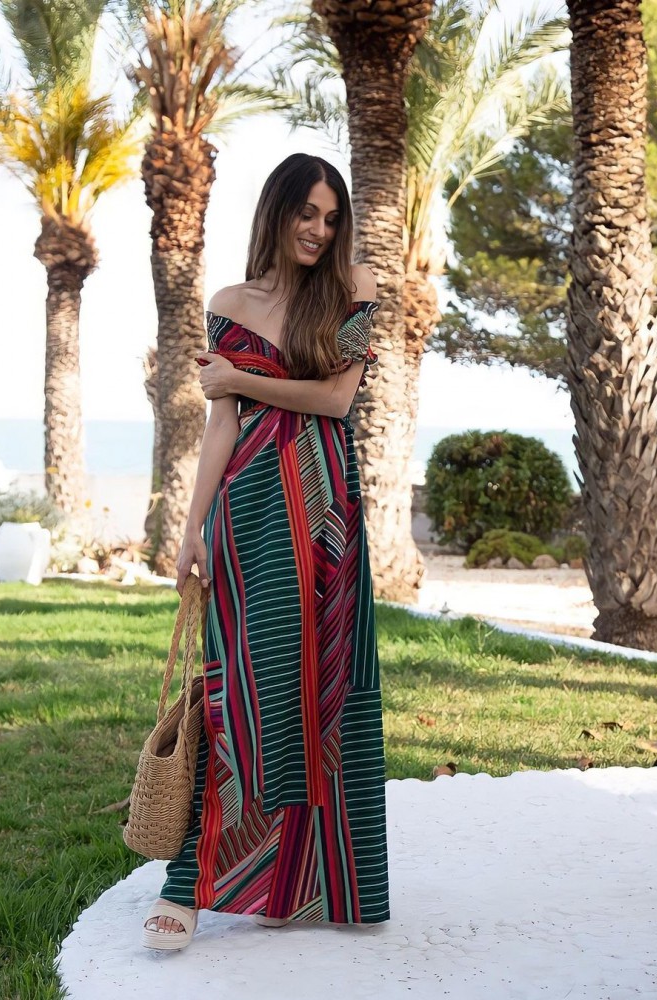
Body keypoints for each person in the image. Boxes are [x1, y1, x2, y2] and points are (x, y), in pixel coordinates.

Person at [141, 152, 391, 951]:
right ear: (277, 211)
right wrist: (191, 528)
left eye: (330, 217)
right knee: (240, 691)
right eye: (306, 213)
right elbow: (223, 425)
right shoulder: (229, 303)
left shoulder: (355, 288)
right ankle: (187, 884)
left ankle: (292, 879)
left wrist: (239, 381)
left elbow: (336, 400)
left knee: (323, 692)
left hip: (326, 515)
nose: (318, 229)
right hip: (248, 513)